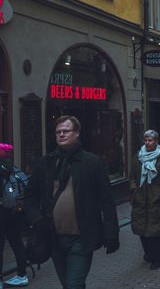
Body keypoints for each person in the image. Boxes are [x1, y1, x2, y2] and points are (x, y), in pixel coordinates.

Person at [25, 115, 119, 289]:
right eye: (58, 132)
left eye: (66, 131)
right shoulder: (46, 163)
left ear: (76, 133)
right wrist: (37, 220)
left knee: (74, 284)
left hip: (82, 238)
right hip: (53, 238)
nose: (61, 134)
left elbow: (107, 200)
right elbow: (30, 195)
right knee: (67, 284)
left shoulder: (92, 162)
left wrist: (111, 232)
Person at [129, 130, 160, 270]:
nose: (147, 143)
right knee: (141, 229)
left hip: (155, 199)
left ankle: (156, 259)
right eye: (146, 140)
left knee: (155, 231)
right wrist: (134, 189)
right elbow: (132, 176)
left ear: (156, 141)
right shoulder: (137, 157)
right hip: (140, 199)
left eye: (150, 140)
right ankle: (148, 253)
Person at [0, 143, 30, 287]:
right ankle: (22, 275)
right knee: (17, 242)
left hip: (2, 211)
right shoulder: (12, 168)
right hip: (14, 211)